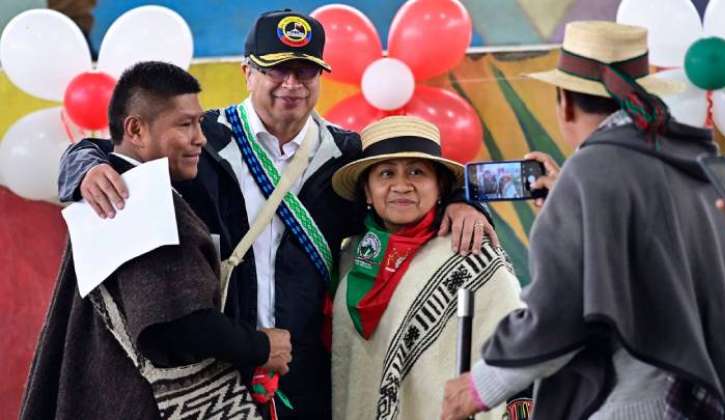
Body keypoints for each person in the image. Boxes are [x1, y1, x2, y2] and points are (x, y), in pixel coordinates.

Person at [56, 10, 495, 418]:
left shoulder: (347, 155)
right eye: (276, 69)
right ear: (247, 73)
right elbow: (119, 148)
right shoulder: (199, 139)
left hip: (309, 371)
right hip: (220, 360)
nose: (292, 83)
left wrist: (462, 202)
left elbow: (412, 185)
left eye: (305, 71)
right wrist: (83, 166)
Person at [442, 21, 725, 420]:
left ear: (564, 102)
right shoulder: (706, 166)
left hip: (631, 405)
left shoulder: (590, 173)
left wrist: (481, 385)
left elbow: (559, 309)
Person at [20, 61, 276, 419]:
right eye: (185, 124)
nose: (199, 137)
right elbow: (176, 326)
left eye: (200, 122)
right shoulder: (137, 197)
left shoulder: (114, 185)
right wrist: (262, 345)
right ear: (136, 130)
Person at [329, 116, 523, 420]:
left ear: (440, 186)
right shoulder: (350, 255)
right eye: (386, 173)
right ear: (367, 191)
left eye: (417, 172)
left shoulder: (472, 252)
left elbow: (514, 351)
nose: (401, 185)